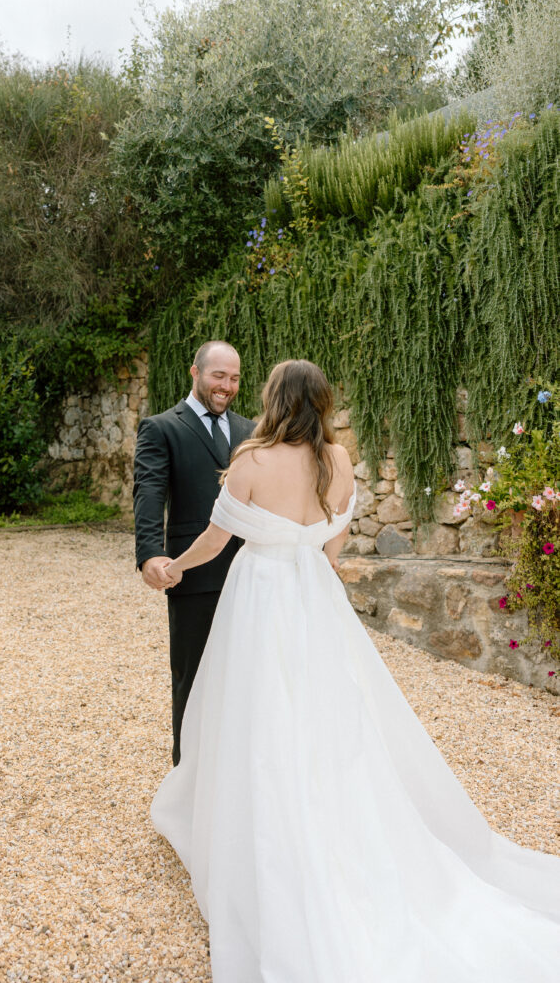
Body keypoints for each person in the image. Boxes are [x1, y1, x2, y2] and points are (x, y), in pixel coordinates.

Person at [151, 359, 560, 983]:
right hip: (313, 592)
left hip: (260, 593)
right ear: (320, 401)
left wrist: (174, 566)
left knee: (259, 707)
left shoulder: (252, 462)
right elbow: (333, 546)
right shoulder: (339, 464)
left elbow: (216, 539)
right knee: (329, 710)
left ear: (272, 399)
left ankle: (265, 829)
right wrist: (309, 563)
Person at [133, 340, 254, 766]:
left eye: (235, 378)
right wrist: (151, 553)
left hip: (251, 573)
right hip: (193, 576)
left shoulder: (250, 431)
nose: (227, 386)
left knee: (246, 680)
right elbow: (149, 492)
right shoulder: (162, 427)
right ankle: (188, 781)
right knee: (193, 679)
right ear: (195, 372)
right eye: (219, 375)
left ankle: (237, 775)